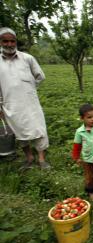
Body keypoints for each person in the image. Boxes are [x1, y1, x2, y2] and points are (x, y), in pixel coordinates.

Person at [0, 27, 50, 170]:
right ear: (0, 42)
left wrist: (30, 89)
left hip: (30, 102)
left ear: (15, 42)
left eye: (12, 41)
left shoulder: (27, 58)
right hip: (10, 104)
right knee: (20, 132)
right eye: (5, 41)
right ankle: (29, 157)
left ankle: (41, 159)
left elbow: (40, 76)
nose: (9, 44)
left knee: (39, 129)